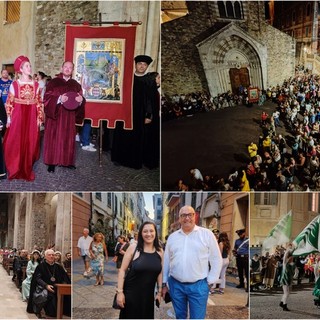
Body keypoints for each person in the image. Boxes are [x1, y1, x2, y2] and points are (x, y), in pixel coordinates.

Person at [162, 205, 222, 319]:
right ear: (179, 218)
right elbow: (166, 261)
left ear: (195, 216)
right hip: (176, 285)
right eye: (183, 215)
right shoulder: (172, 237)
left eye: (190, 214)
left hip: (199, 285)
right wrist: (164, 283)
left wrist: (210, 281)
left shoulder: (206, 234)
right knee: (180, 317)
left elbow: (216, 259)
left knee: (197, 318)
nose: (187, 218)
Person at [112, 55, 159, 169]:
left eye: (144, 65)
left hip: (140, 115)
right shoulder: (128, 78)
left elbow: (150, 100)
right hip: (126, 113)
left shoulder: (149, 81)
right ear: (135, 65)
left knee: (137, 139)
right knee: (124, 136)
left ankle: (134, 161)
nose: (142, 66)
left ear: (147, 66)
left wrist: (148, 115)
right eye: (140, 64)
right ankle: (121, 159)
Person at [3, 55, 43, 180]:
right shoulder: (14, 84)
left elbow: (39, 102)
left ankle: (26, 167)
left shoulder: (36, 85)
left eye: (30, 65)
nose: (29, 68)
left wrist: (39, 118)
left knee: (30, 140)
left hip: (31, 115)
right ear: (20, 69)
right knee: (15, 140)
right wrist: (9, 118)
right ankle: (14, 167)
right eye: (27, 66)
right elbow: (9, 102)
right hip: (18, 115)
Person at [43, 60, 85, 173]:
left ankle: (66, 162)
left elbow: (80, 99)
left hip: (69, 116)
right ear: (62, 68)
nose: (67, 69)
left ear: (72, 70)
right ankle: (51, 162)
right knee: (53, 138)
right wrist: (59, 99)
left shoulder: (76, 85)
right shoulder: (53, 82)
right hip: (55, 116)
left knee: (67, 138)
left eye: (70, 67)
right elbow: (46, 99)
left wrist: (81, 101)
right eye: (65, 67)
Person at [116, 221, 163, 319]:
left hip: (148, 296)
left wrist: (159, 292)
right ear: (141, 233)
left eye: (151, 231)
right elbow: (122, 270)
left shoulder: (160, 251)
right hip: (130, 295)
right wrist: (120, 293)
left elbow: (160, 272)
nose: (149, 234)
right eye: (145, 231)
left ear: (155, 233)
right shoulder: (133, 248)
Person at [27, 249, 71, 318]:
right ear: (45, 256)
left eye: (53, 255)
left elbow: (65, 278)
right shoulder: (40, 266)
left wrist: (64, 284)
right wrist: (46, 285)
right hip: (44, 288)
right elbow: (38, 279)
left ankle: (60, 312)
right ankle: (48, 314)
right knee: (50, 297)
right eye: (49, 255)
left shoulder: (59, 267)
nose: (51, 256)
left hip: (58, 288)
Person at [279, 245, 295, 311]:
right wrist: (288, 250)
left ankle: (282, 302)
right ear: (289, 258)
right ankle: (284, 306)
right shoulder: (285, 264)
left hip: (290, 280)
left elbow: (295, 272)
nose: (292, 258)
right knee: (286, 293)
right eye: (291, 257)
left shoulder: (293, 264)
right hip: (285, 279)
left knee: (288, 293)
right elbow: (285, 256)